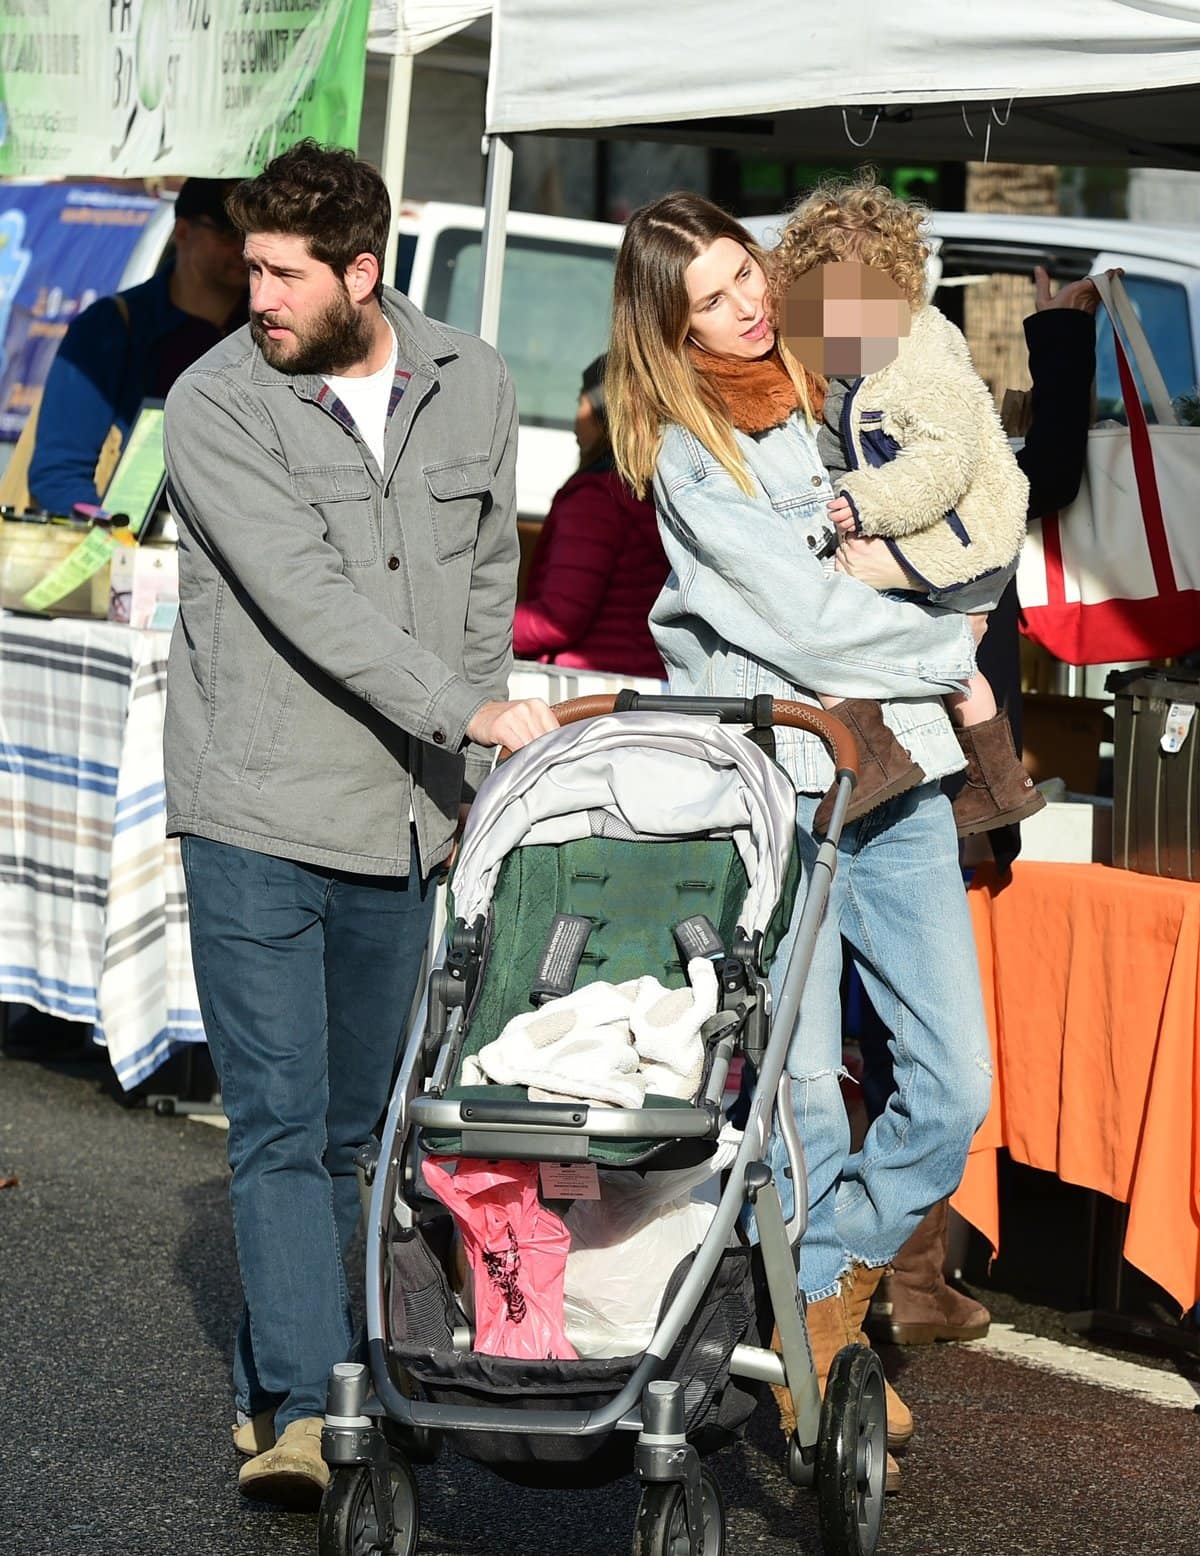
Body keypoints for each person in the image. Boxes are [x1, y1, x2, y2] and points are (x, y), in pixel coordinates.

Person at [162, 140, 558, 1510]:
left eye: (280, 272)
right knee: (277, 1125)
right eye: (248, 264)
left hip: (408, 821)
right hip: (260, 804)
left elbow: (483, 579)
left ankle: (340, 1365)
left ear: (361, 272)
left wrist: (461, 765)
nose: (251, 292)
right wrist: (471, 711)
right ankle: (297, 1405)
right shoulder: (214, 403)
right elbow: (309, 599)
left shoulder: (476, 380)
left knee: (359, 1131)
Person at [607, 193, 994, 1492]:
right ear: (668, 327)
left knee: (952, 1088)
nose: (747, 305)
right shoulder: (682, 453)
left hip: (899, 775)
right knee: (807, 1096)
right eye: (711, 298)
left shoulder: (831, 383)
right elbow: (798, 620)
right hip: (788, 787)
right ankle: (810, 1354)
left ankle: (821, 1287)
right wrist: (949, 654)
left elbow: (957, 469)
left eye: (745, 276)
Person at [865, 262, 1115, 1346]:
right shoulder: (894, 443)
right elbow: (1049, 469)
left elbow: (1039, 470)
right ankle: (890, 1272)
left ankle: (899, 1270)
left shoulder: (888, 427)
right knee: (910, 1032)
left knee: (894, 1031)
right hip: (918, 771)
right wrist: (1061, 339)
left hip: (909, 768)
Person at [771, 176, 1043, 839]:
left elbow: (942, 464)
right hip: (952, 543)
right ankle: (997, 781)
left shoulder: (919, 359)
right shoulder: (858, 357)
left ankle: (872, 756)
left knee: (816, 614)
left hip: (956, 538)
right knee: (955, 665)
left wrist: (864, 505)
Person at [28, 178, 249, 516]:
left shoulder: (271, 332)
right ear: (183, 232)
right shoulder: (111, 327)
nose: (243, 246)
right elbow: (59, 474)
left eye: (253, 232)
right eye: (227, 231)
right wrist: (116, 541)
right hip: (137, 551)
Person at [513, 354, 668, 678]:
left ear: (605, 411)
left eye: (580, 403)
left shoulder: (596, 500)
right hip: (647, 684)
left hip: (590, 690)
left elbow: (556, 620)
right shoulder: (658, 493)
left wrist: (473, 630)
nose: (575, 420)